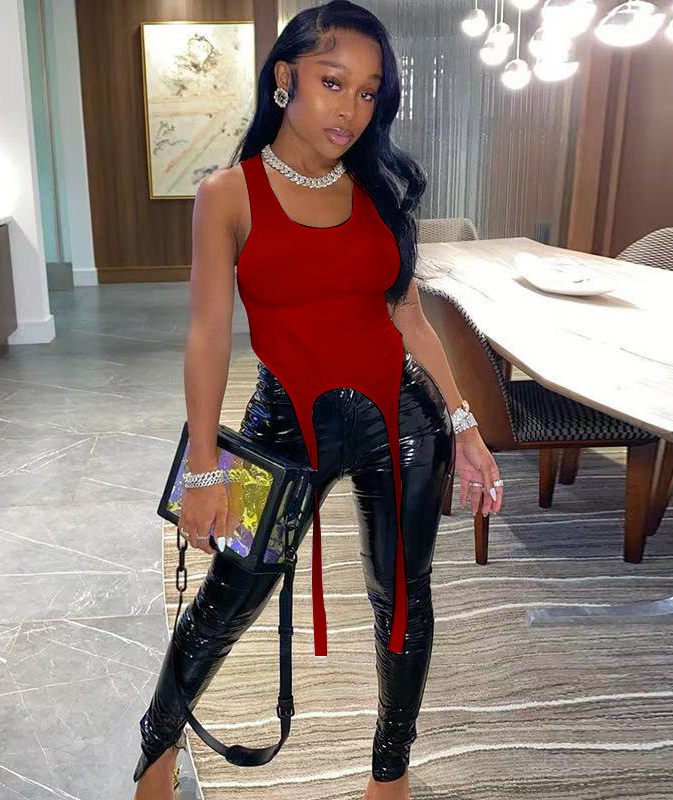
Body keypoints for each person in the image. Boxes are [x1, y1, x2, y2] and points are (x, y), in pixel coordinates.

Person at [132, 2, 504, 798]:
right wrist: (204, 469)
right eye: (334, 82)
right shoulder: (227, 194)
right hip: (281, 427)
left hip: (402, 423)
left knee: (402, 598)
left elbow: (408, 316)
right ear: (285, 78)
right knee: (230, 594)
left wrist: (464, 424)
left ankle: (390, 771)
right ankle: (156, 747)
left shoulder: (376, 190)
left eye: (369, 92)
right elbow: (207, 338)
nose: (351, 108)